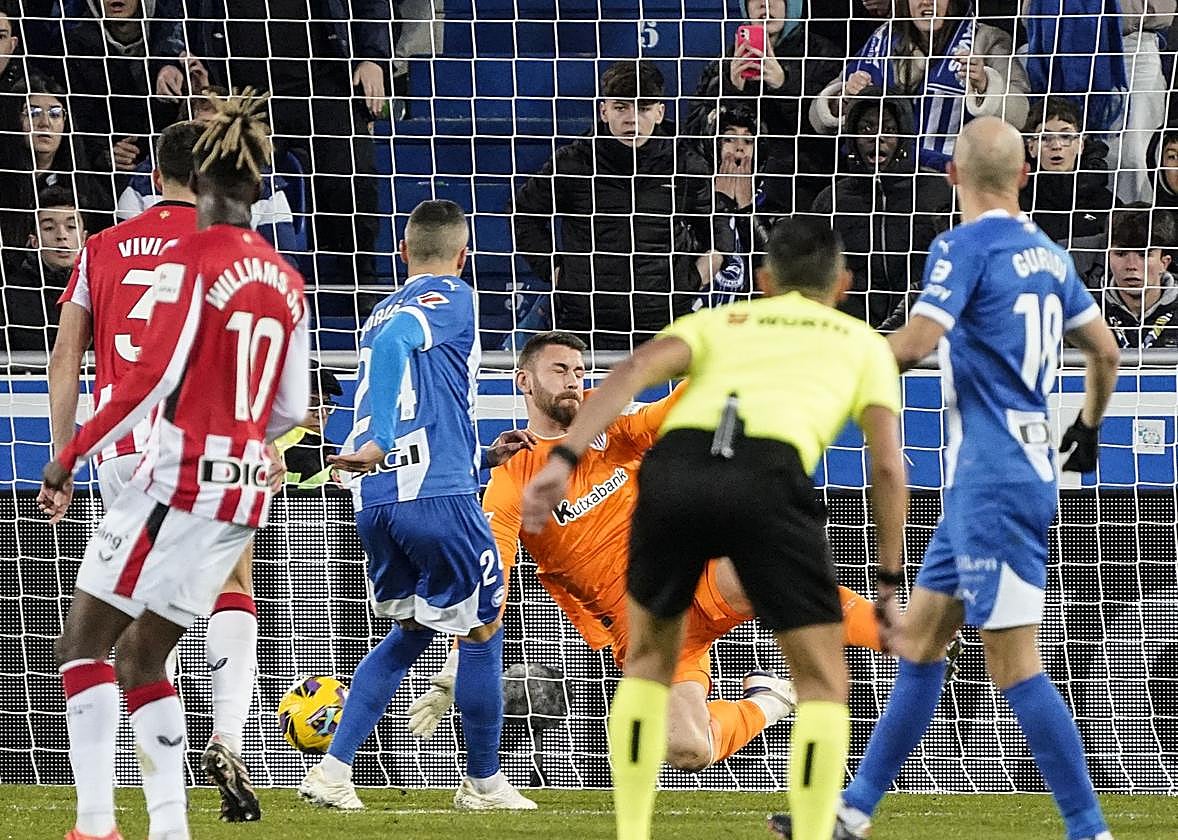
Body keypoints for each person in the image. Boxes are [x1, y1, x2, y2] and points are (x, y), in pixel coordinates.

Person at [769, 117, 1121, 840]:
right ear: (1024, 176)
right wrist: (1086, 429)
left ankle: (1090, 831)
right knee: (922, 643)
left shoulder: (959, 246)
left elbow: (915, 344)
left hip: (992, 479)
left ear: (952, 177)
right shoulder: (1052, 257)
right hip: (996, 477)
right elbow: (1106, 350)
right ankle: (853, 813)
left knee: (1015, 666)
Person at [520, 218, 909, 840]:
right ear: (842, 283)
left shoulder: (721, 322)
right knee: (821, 681)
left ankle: (632, 831)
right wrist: (890, 578)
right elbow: (887, 467)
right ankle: (814, 823)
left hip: (675, 485)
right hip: (766, 478)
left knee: (646, 670)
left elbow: (623, 377)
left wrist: (560, 460)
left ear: (762, 281)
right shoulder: (861, 342)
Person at [404, 330, 892, 773]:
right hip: (644, 630)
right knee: (688, 751)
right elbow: (494, 578)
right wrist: (455, 666)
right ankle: (770, 697)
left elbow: (673, 408)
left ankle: (902, 636)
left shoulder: (609, 427)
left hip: (693, 576)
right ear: (524, 382)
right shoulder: (513, 479)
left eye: (579, 370)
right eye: (560, 370)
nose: (574, 381)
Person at [39, 89, 309, 840]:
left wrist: (68, 457)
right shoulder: (287, 280)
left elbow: (146, 376)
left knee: (83, 644)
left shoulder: (171, 254)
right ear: (255, 186)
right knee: (146, 657)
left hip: (168, 471)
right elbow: (288, 407)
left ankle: (95, 824)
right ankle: (179, 812)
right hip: (243, 486)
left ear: (171, 179)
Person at [296, 200, 536, 812]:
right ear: (464, 256)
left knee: (411, 631)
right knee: (484, 628)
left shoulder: (377, 313)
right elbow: (404, 352)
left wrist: (481, 457)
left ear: (401, 252)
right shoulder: (453, 296)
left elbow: (414, 400)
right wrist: (380, 438)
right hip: (434, 498)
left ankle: (332, 770)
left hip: (378, 498)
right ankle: (483, 784)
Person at [163, 0, 388, 283]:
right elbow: (173, 11)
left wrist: (372, 57)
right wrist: (170, 60)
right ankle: (237, 277)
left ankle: (359, 281)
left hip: (323, 81)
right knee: (234, 179)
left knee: (350, 175)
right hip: (241, 90)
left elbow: (373, 6)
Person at [511, 60, 726, 352]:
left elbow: (717, 229)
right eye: (621, 107)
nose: (631, 120)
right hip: (585, 325)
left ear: (660, 112)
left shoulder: (685, 164)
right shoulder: (574, 163)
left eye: (643, 108)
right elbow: (523, 213)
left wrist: (691, 280)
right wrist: (558, 272)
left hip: (664, 324)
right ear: (604, 111)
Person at [809, 0, 1030, 173]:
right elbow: (819, 118)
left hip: (957, 180)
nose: (927, 2)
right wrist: (844, 98)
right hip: (881, 176)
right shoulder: (881, 40)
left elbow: (1021, 114)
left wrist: (984, 85)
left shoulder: (988, 40)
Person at [683, 0, 842, 213]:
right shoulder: (727, 63)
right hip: (732, 192)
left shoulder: (823, 55)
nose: (765, 6)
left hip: (802, 193)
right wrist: (729, 90)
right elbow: (693, 136)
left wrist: (784, 85)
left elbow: (829, 133)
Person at [811, 87, 951, 325]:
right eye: (866, 128)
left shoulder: (940, 192)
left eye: (889, 130)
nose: (877, 137)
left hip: (923, 336)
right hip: (852, 339)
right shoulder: (831, 201)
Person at [115, 86, 299, 257]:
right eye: (202, 127)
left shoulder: (264, 185)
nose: (210, 137)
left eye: (220, 128)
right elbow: (123, 252)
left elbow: (282, 257)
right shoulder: (143, 184)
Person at [0, 184, 83, 354]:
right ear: (34, 241)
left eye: (71, 227)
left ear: (84, 237)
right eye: (49, 228)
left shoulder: (101, 288)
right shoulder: (10, 294)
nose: (61, 235)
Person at [1019, 97, 1113, 245]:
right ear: (1031, 147)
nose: (1056, 145)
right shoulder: (1015, 202)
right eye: (1045, 137)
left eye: (1066, 136)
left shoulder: (1105, 202)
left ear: (1080, 144)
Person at [1100, 206, 1178, 349]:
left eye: (1143, 255)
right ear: (1108, 257)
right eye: (1121, 254)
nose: (1131, 265)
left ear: (1164, 262)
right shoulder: (1087, 310)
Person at [273, 361, 344, 490]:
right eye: (311, 402)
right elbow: (329, 506)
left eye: (327, 405)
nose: (321, 414)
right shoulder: (311, 445)